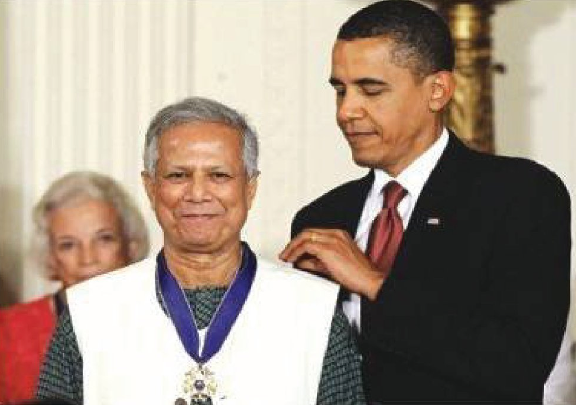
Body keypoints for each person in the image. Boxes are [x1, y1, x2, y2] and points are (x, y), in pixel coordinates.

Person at [279, 0, 571, 402]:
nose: (346, 111)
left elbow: (516, 365)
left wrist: (375, 283)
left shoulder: (520, 196)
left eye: (370, 89)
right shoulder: (323, 218)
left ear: (437, 91)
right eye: (340, 90)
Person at [36, 97, 364, 405]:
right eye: (178, 175)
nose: (197, 193)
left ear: (250, 188)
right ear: (151, 188)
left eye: (218, 176)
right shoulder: (89, 312)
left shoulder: (312, 310)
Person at [0, 171, 149, 404]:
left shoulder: (170, 323)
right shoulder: (8, 333)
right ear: (50, 257)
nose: (87, 259)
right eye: (68, 245)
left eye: (105, 239)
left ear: (131, 246)